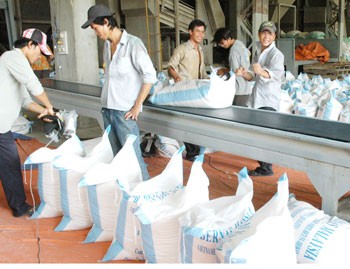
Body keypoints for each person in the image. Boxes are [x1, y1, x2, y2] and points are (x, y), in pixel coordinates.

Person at [81, 4, 157, 181]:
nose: (95, 33)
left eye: (95, 28)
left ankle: (144, 196)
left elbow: (150, 75)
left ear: (106, 22)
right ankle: (126, 193)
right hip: (107, 110)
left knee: (133, 158)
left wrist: (137, 105)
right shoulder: (107, 46)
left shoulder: (133, 44)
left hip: (124, 113)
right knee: (119, 158)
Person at [0, 28, 55, 217]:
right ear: (30, 45)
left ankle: (18, 205)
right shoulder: (12, 58)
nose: (39, 56)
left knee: (10, 163)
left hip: (3, 127)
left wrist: (47, 113)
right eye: (39, 50)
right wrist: (49, 105)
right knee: (10, 163)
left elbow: (25, 100)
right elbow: (34, 85)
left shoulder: (16, 65)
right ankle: (19, 206)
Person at [236, 21, 285, 176]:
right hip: (257, 98)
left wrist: (262, 71)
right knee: (258, 133)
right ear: (259, 34)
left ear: (274, 36)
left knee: (265, 135)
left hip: (269, 100)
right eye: (264, 33)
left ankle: (266, 168)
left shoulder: (276, 55)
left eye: (269, 33)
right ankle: (263, 164)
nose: (266, 36)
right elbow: (252, 76)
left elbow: (276, 75)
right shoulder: (258, 52)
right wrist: (244, 73)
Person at [167, 19, 209, 161]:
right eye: (197, 31)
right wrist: (176, 77)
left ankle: (195, 150)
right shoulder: (183, 48)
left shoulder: (200, 50)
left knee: (196, 122)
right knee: (187, 122)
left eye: (202, 32)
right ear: (190, 32)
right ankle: (192, 152)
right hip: (184, 91)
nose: (200, 34)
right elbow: (171, 66)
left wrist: (211, 80)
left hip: (197, 92)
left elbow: (202, 71)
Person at [212, 27, 252, 106]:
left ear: (229, 38)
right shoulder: (241, 45)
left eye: (222, 43)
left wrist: (223, 72)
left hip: (238, 90)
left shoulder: (233, 50)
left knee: (236, 115)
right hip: (246, 89)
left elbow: (235, 72)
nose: (221, 45)